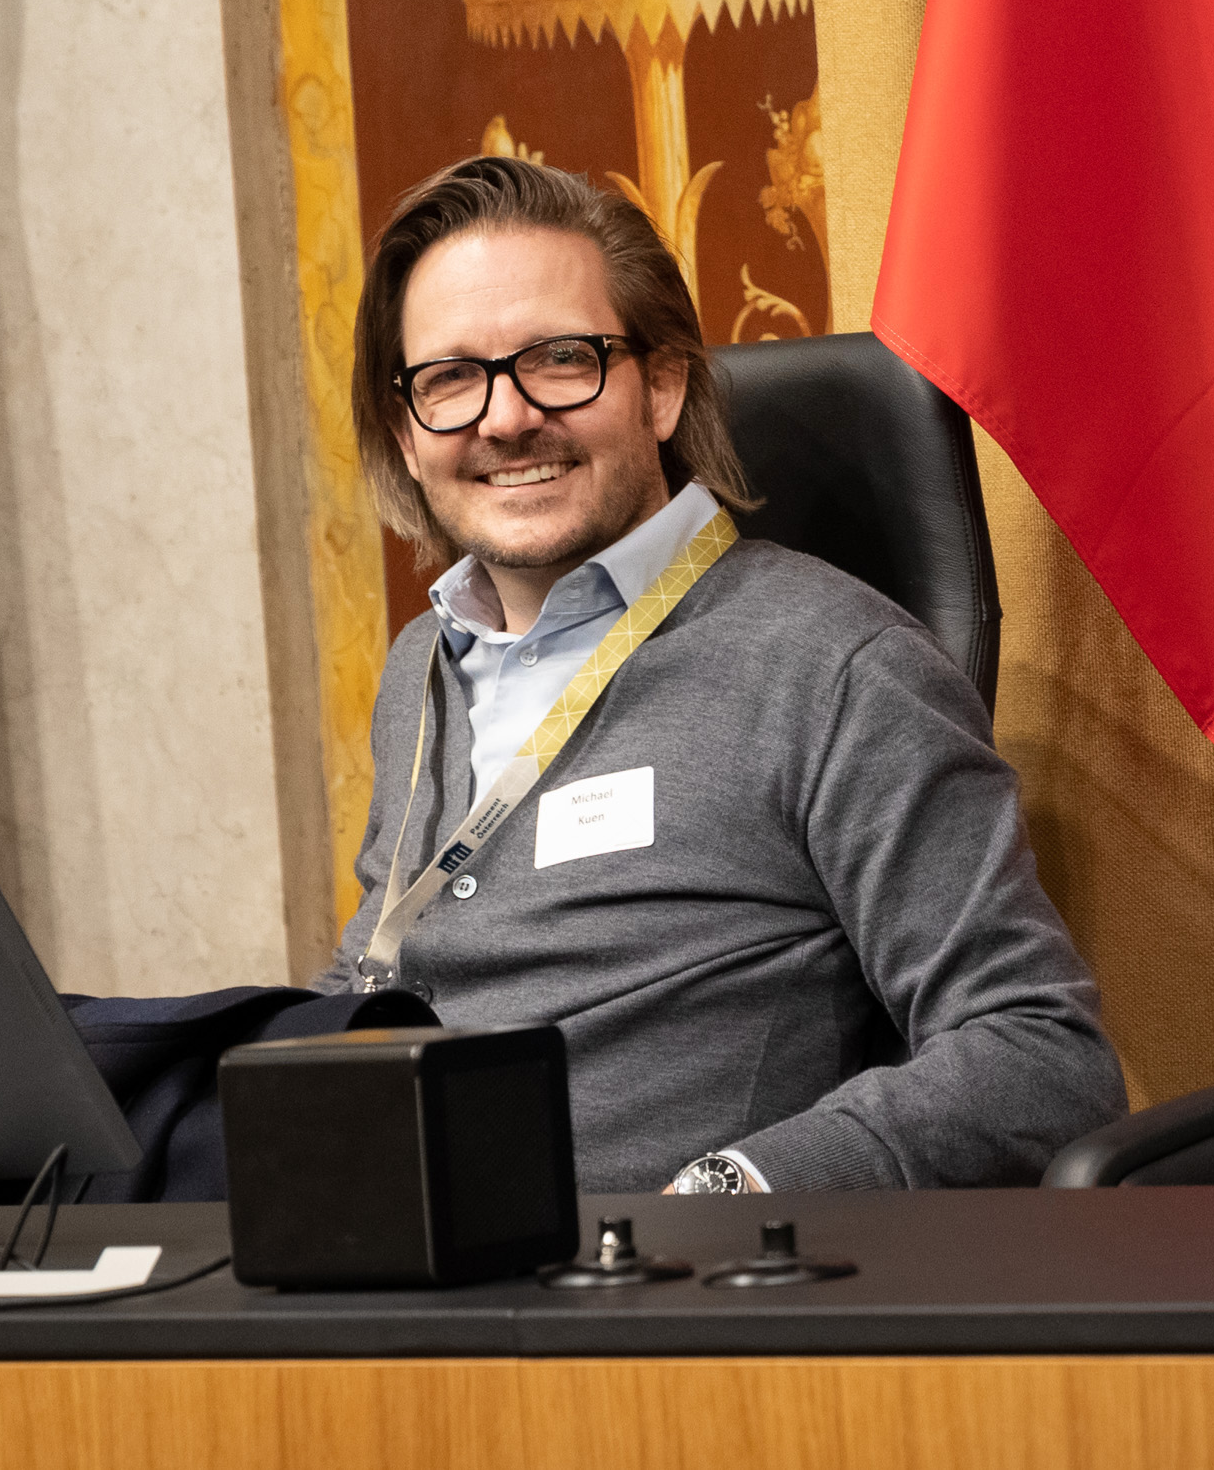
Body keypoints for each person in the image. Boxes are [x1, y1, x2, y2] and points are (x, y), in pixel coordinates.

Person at [316, 155, 1125, 1193]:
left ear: (661, 386)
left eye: (560, 360)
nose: (505, 417)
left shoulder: (839, 668)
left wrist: (731, 1190)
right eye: (450, 379)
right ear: (405, 431)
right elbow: (381, 967)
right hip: (394, 1254)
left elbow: (1039, 1057)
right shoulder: (421, 667)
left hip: (650, 1276)